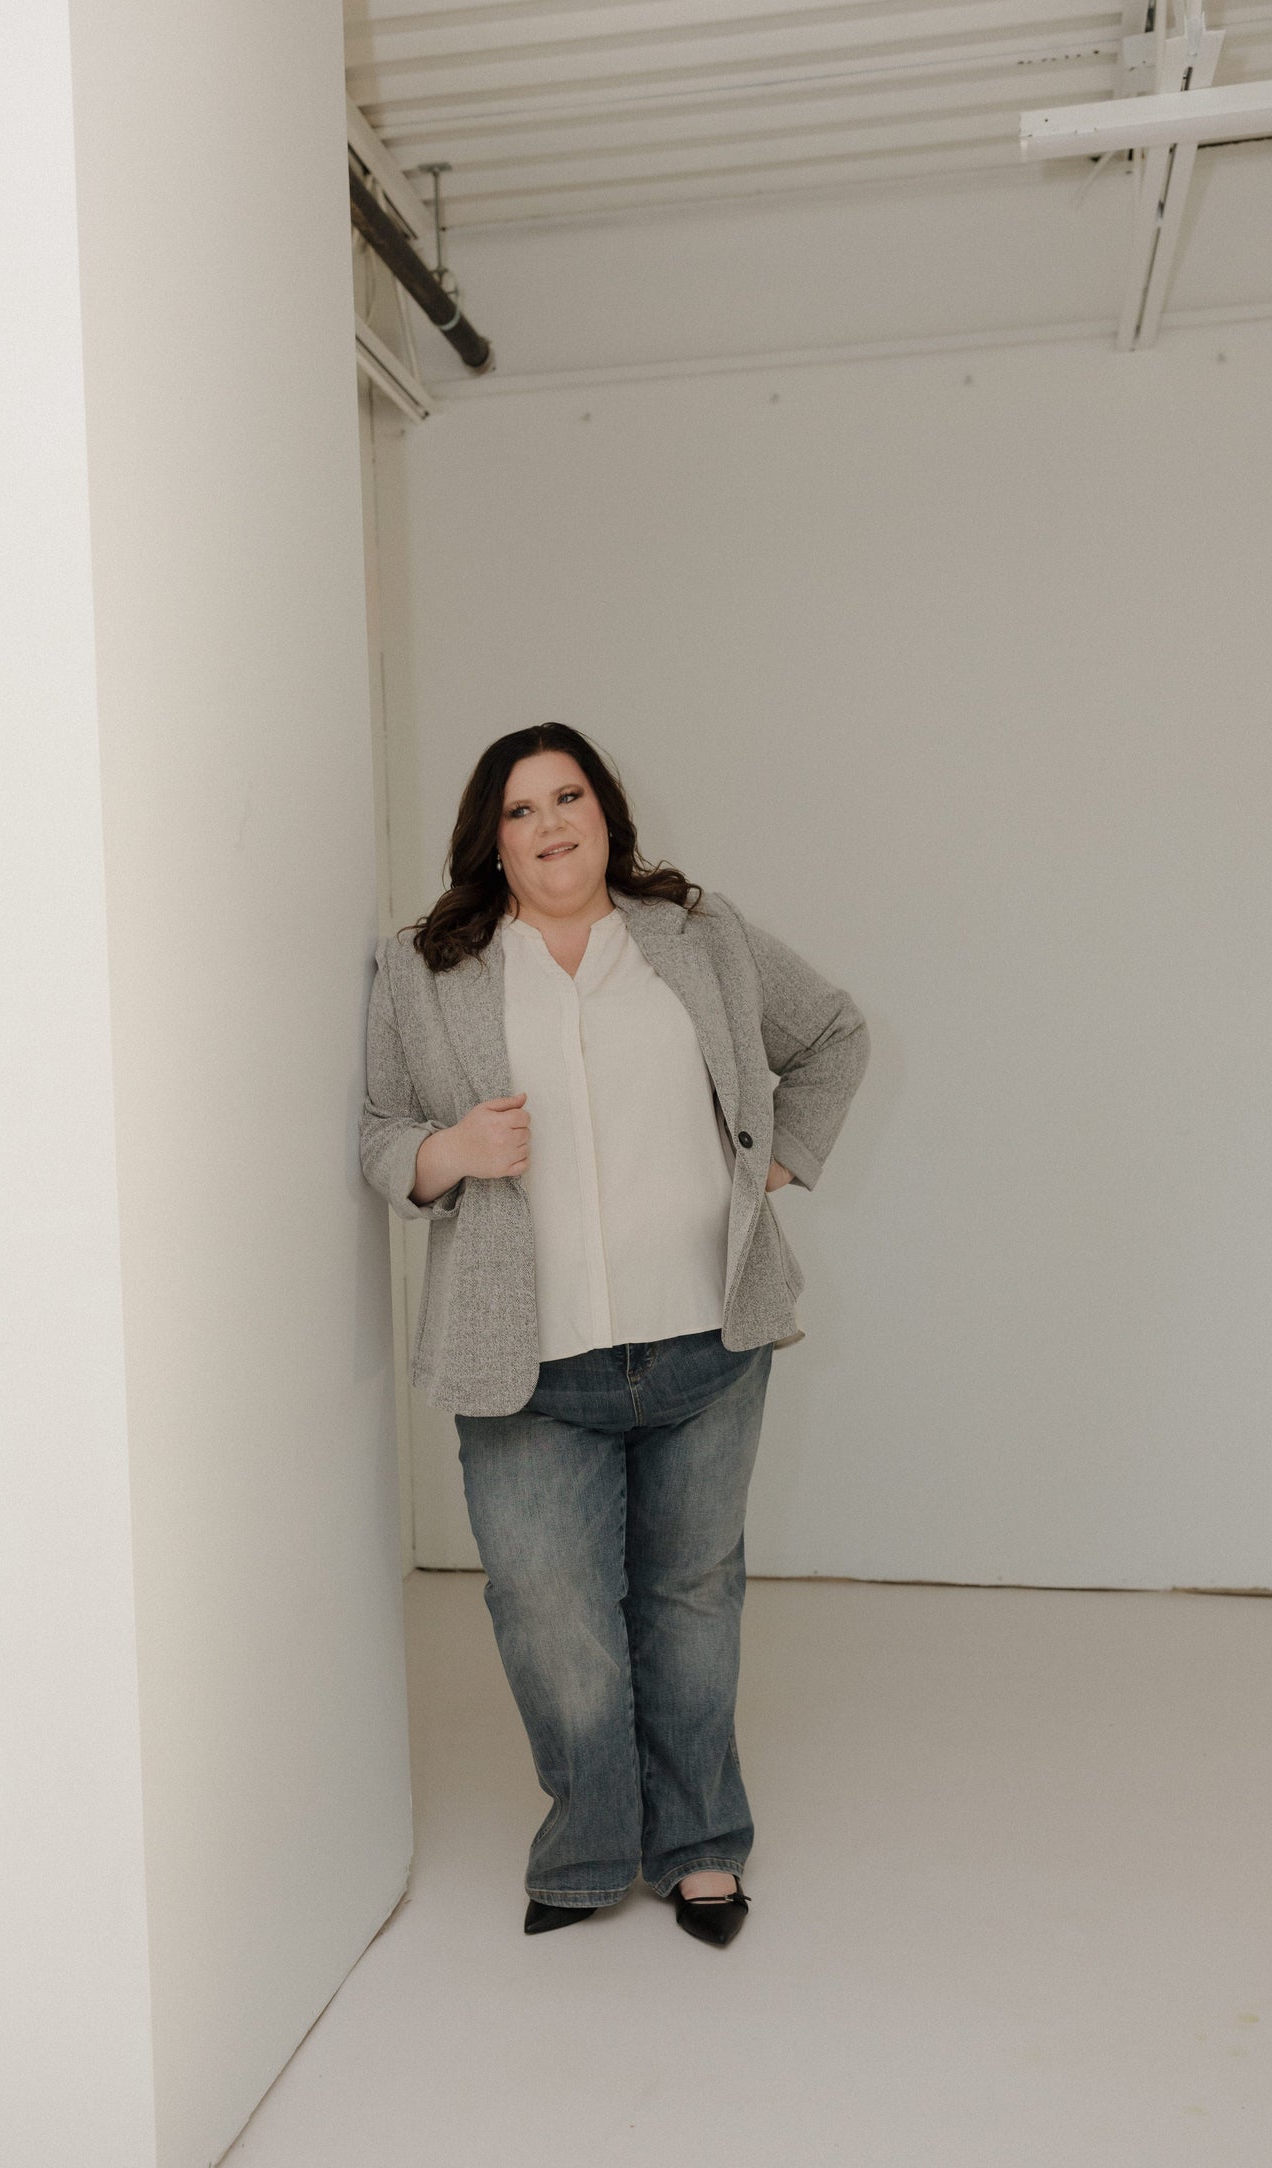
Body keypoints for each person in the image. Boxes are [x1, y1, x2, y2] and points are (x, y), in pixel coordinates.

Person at [360, 724, 868, 1947]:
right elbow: (378, 1129)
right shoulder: (426, 970)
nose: (549, 824)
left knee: (689, 1598)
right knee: (551, 1614)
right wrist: (448, 1154)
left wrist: (776, 1163)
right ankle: (588, 1844)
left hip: (706, 1340)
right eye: (520, 808)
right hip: (526, 1363)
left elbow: (832, 1033)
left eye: (567, 795)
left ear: (605, 808)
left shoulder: (696, 934)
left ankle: (699, 1844)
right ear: (491, 838)